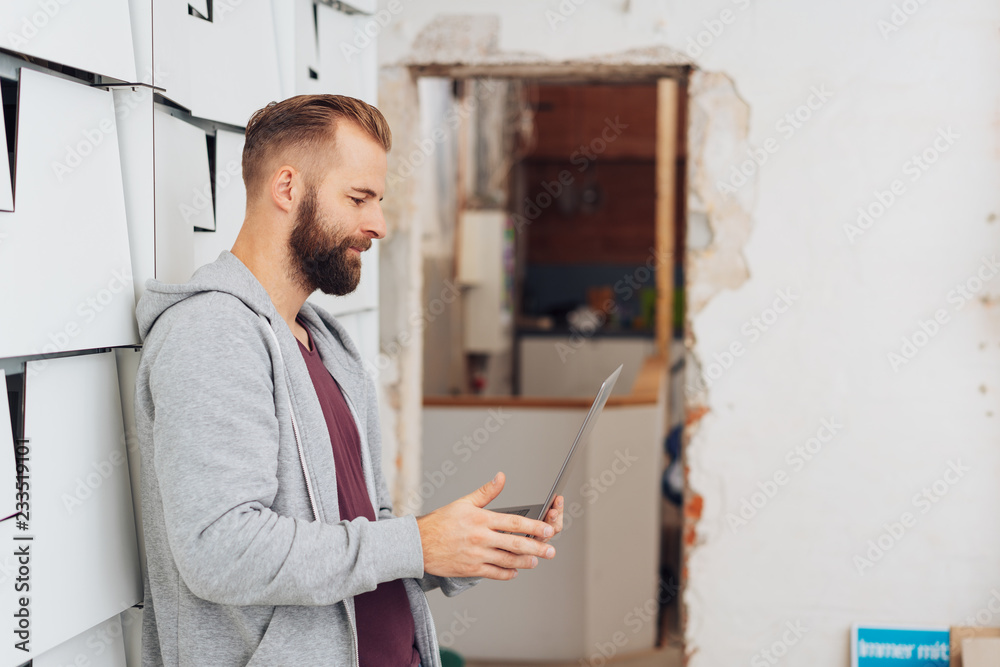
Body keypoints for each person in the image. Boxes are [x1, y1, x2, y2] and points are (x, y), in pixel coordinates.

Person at [133, 95, 564, 667]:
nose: (378, 225)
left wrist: (458, 547)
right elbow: (221, 550)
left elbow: (362, 540)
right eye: (359, 199)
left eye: (379, 201)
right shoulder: (211, 334)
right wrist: (416, 541)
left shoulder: (326, 342)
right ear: (286, 189)